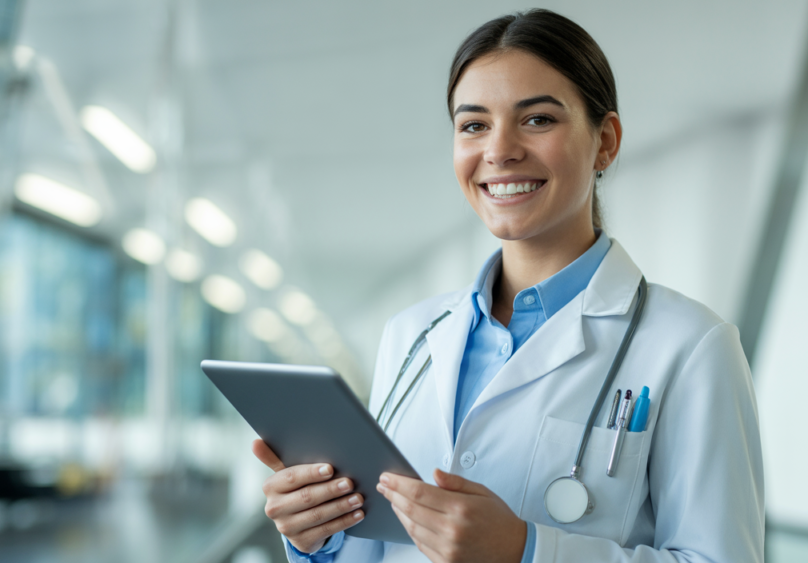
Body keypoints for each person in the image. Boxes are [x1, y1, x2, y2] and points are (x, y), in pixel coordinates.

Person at [252, 9, 763, 563]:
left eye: (538, 119)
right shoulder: (412, 335)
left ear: (606, 142)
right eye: (473, 125)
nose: (499, 150)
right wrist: (317, 539)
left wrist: (529, 551)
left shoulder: (690, 347)